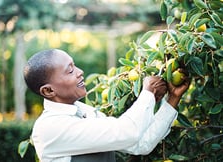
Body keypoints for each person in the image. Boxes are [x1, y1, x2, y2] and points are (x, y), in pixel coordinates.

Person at [23, 49, 189, 162]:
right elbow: (128, 132)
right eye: (70, 71)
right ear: (49, 90)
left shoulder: (86, 112)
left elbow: (141, 144)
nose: (80, 72)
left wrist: (172, 99)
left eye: (75, 66)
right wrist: (147, 93)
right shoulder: (49, 128)